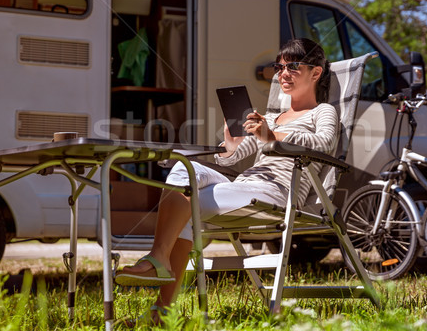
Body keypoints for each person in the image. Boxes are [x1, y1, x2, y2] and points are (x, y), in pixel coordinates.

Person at [114, 38, 338, 324]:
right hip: (246, 184)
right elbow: (232, 157)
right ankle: (159, 260)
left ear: (315, 72)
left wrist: (273, 136)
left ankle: (161, 306)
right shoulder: (270, 116)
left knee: (185, 206)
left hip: (279, 191)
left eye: (293, 66)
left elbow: (323, 143)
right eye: (279, 67)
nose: (283, 73)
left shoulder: (323, 112)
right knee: (185, 170)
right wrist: (232, 142)